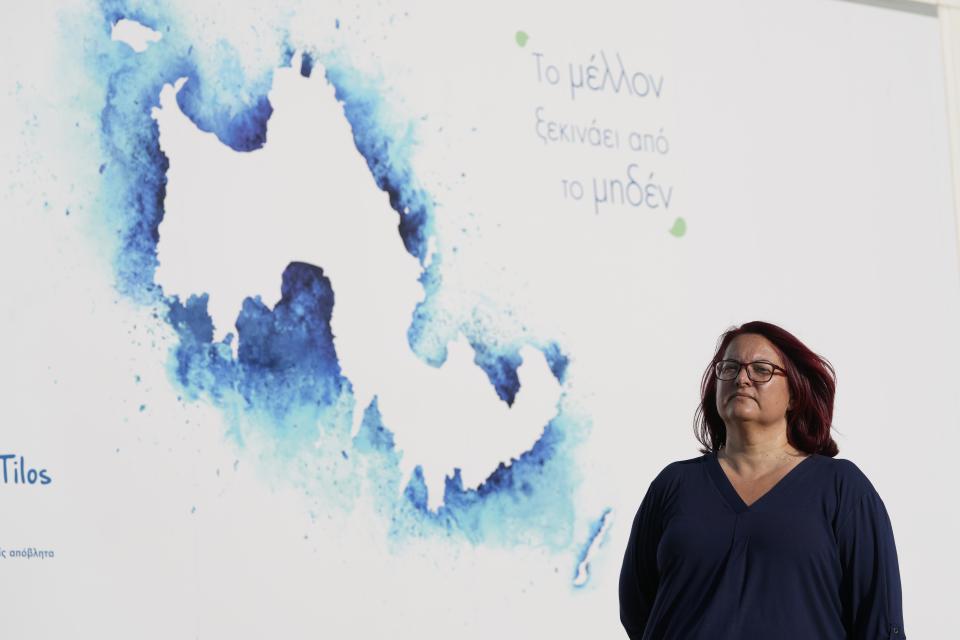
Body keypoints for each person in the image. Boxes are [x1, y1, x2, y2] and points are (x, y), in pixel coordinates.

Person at [618, 321, 906, 639]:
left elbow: (879, 622)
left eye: (761, 369)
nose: (742, 378)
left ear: (795, 394)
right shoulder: (674, 484)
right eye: (729, 368)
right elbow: (638, 609)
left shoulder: (843, 488)